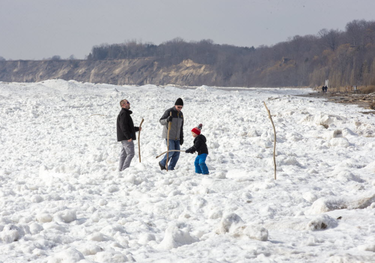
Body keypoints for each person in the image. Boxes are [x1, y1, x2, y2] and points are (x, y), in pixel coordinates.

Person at [159, 98, 184, 170]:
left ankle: (171, 167)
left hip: (177, 137)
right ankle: (162, 163)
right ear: (175, 105)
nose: (180, 109)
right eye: (178, 107)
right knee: (171, 151)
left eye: (181, 107)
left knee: (177, 153)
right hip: (169, 135)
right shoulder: (169, 111)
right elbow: (161, 121)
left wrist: (181, 137)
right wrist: (167, 120)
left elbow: (181, 127)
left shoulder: (181, 114)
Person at [117, 99, 141, 171]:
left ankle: (121, 170)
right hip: (126, 137)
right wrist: (128, 137)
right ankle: (124, 169)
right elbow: (123, 126)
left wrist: (137, 129)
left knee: (124, 154)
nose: (129, 103)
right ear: (123, 105)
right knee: (130, 154)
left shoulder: (124, 113)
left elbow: (128, 127)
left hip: (124, 137)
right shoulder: (124, 114)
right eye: (127, 103)